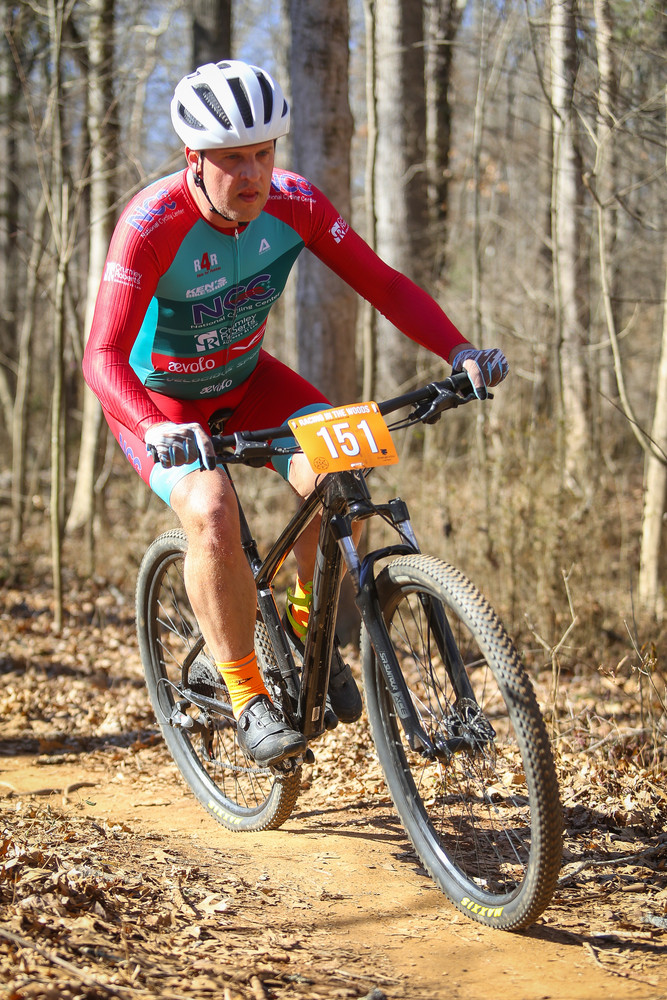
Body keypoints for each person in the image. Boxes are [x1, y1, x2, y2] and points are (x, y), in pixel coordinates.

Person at [83, 59, 508, 768]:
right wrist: (155, 427)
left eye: (263, 153)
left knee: (341, 475)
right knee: (212, 511)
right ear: (193, 158)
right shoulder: (151, 224)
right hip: (162, 402)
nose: (252, 174)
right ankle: (246, 692)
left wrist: (459, 350)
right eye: (231, 159)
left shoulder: (297, 203)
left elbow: (383, 285)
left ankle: (310, 640)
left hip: (249, 380)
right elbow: (100, 357)